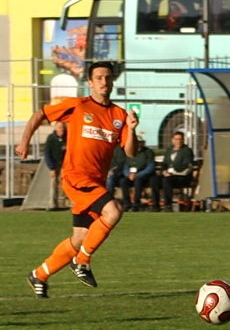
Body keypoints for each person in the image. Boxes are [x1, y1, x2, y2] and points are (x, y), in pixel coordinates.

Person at [15, 61, 138, 298]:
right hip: (76, 177)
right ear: (90, 82)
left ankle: (39, 274)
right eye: (99, 77)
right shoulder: (79, 106)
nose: (104, 82)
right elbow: (40, 114)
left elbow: (131, 152)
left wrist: (131, 129)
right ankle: (82, 261)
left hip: (96, 182)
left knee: (79, 238)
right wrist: (24, 141)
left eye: (108, 77)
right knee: (114, 211)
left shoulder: (119, 115)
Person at [151, 131, 194, 212]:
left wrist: (172, 172)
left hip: (181, 176)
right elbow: (165, 164)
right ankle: (155, 205)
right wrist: (164, 171)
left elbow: (187, 166)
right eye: (177, 139)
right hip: (169, 175)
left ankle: (168, 205)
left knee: (167, 180)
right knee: (155, 180)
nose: (179, 141)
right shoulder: (169, 150)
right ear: (172, 140)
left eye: (181, 139)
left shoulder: (187, 151)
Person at [118, 137, 156, 211]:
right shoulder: (128, 151)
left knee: (138, 181)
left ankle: (136, 203)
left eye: (140, 142)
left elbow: (150, 167)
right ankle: (127, 204)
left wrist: (138, 175)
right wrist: (128, 174)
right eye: (136, 142)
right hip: (130, 175)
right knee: (123, 181)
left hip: (143, 176)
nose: (138, 144)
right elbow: (126, 166)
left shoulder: (148, 152)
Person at [43, 121, 67, 210]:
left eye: (63, 128)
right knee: (53, 183)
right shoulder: (51, 138)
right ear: (55, 128)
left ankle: (69, 203)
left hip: (66, 164)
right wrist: (51, 168)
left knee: (67, 183)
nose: (62, 130)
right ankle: (52, 204)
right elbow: (47, 154)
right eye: (60, 128)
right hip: (55, 163)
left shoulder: (67, 138)